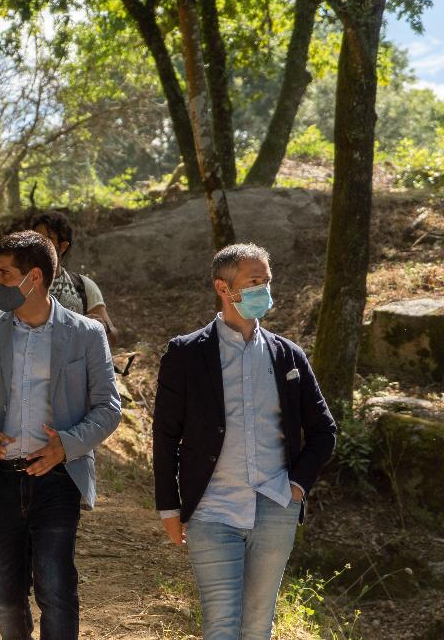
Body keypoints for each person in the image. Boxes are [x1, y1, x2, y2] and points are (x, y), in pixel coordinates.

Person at [153, 243, 337, 640]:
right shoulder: (185, 354)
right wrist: (169, 506)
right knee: (221, 625)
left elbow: (324, 430)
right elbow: (166, 435)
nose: (264, 290)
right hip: (211, 508)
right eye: (255, 282)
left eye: (267, 281)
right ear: (224, 287)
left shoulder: (289, 356)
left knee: (257, 625)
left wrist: (296, 487)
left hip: (275, 506)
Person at [0, 230, 122, 640]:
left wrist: (67, 444)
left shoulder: (86, 333)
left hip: (58, 478)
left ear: (36, 278)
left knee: (57, 590)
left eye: (5, 273)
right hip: (0, 478)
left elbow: (108, 408)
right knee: (5, 597)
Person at [29, 210, 118, 344]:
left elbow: (113, 339)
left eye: (47, 239)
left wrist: (102, 327)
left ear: (63, 247)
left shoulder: (83, 286)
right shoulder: (18, 284)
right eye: (35, 238)